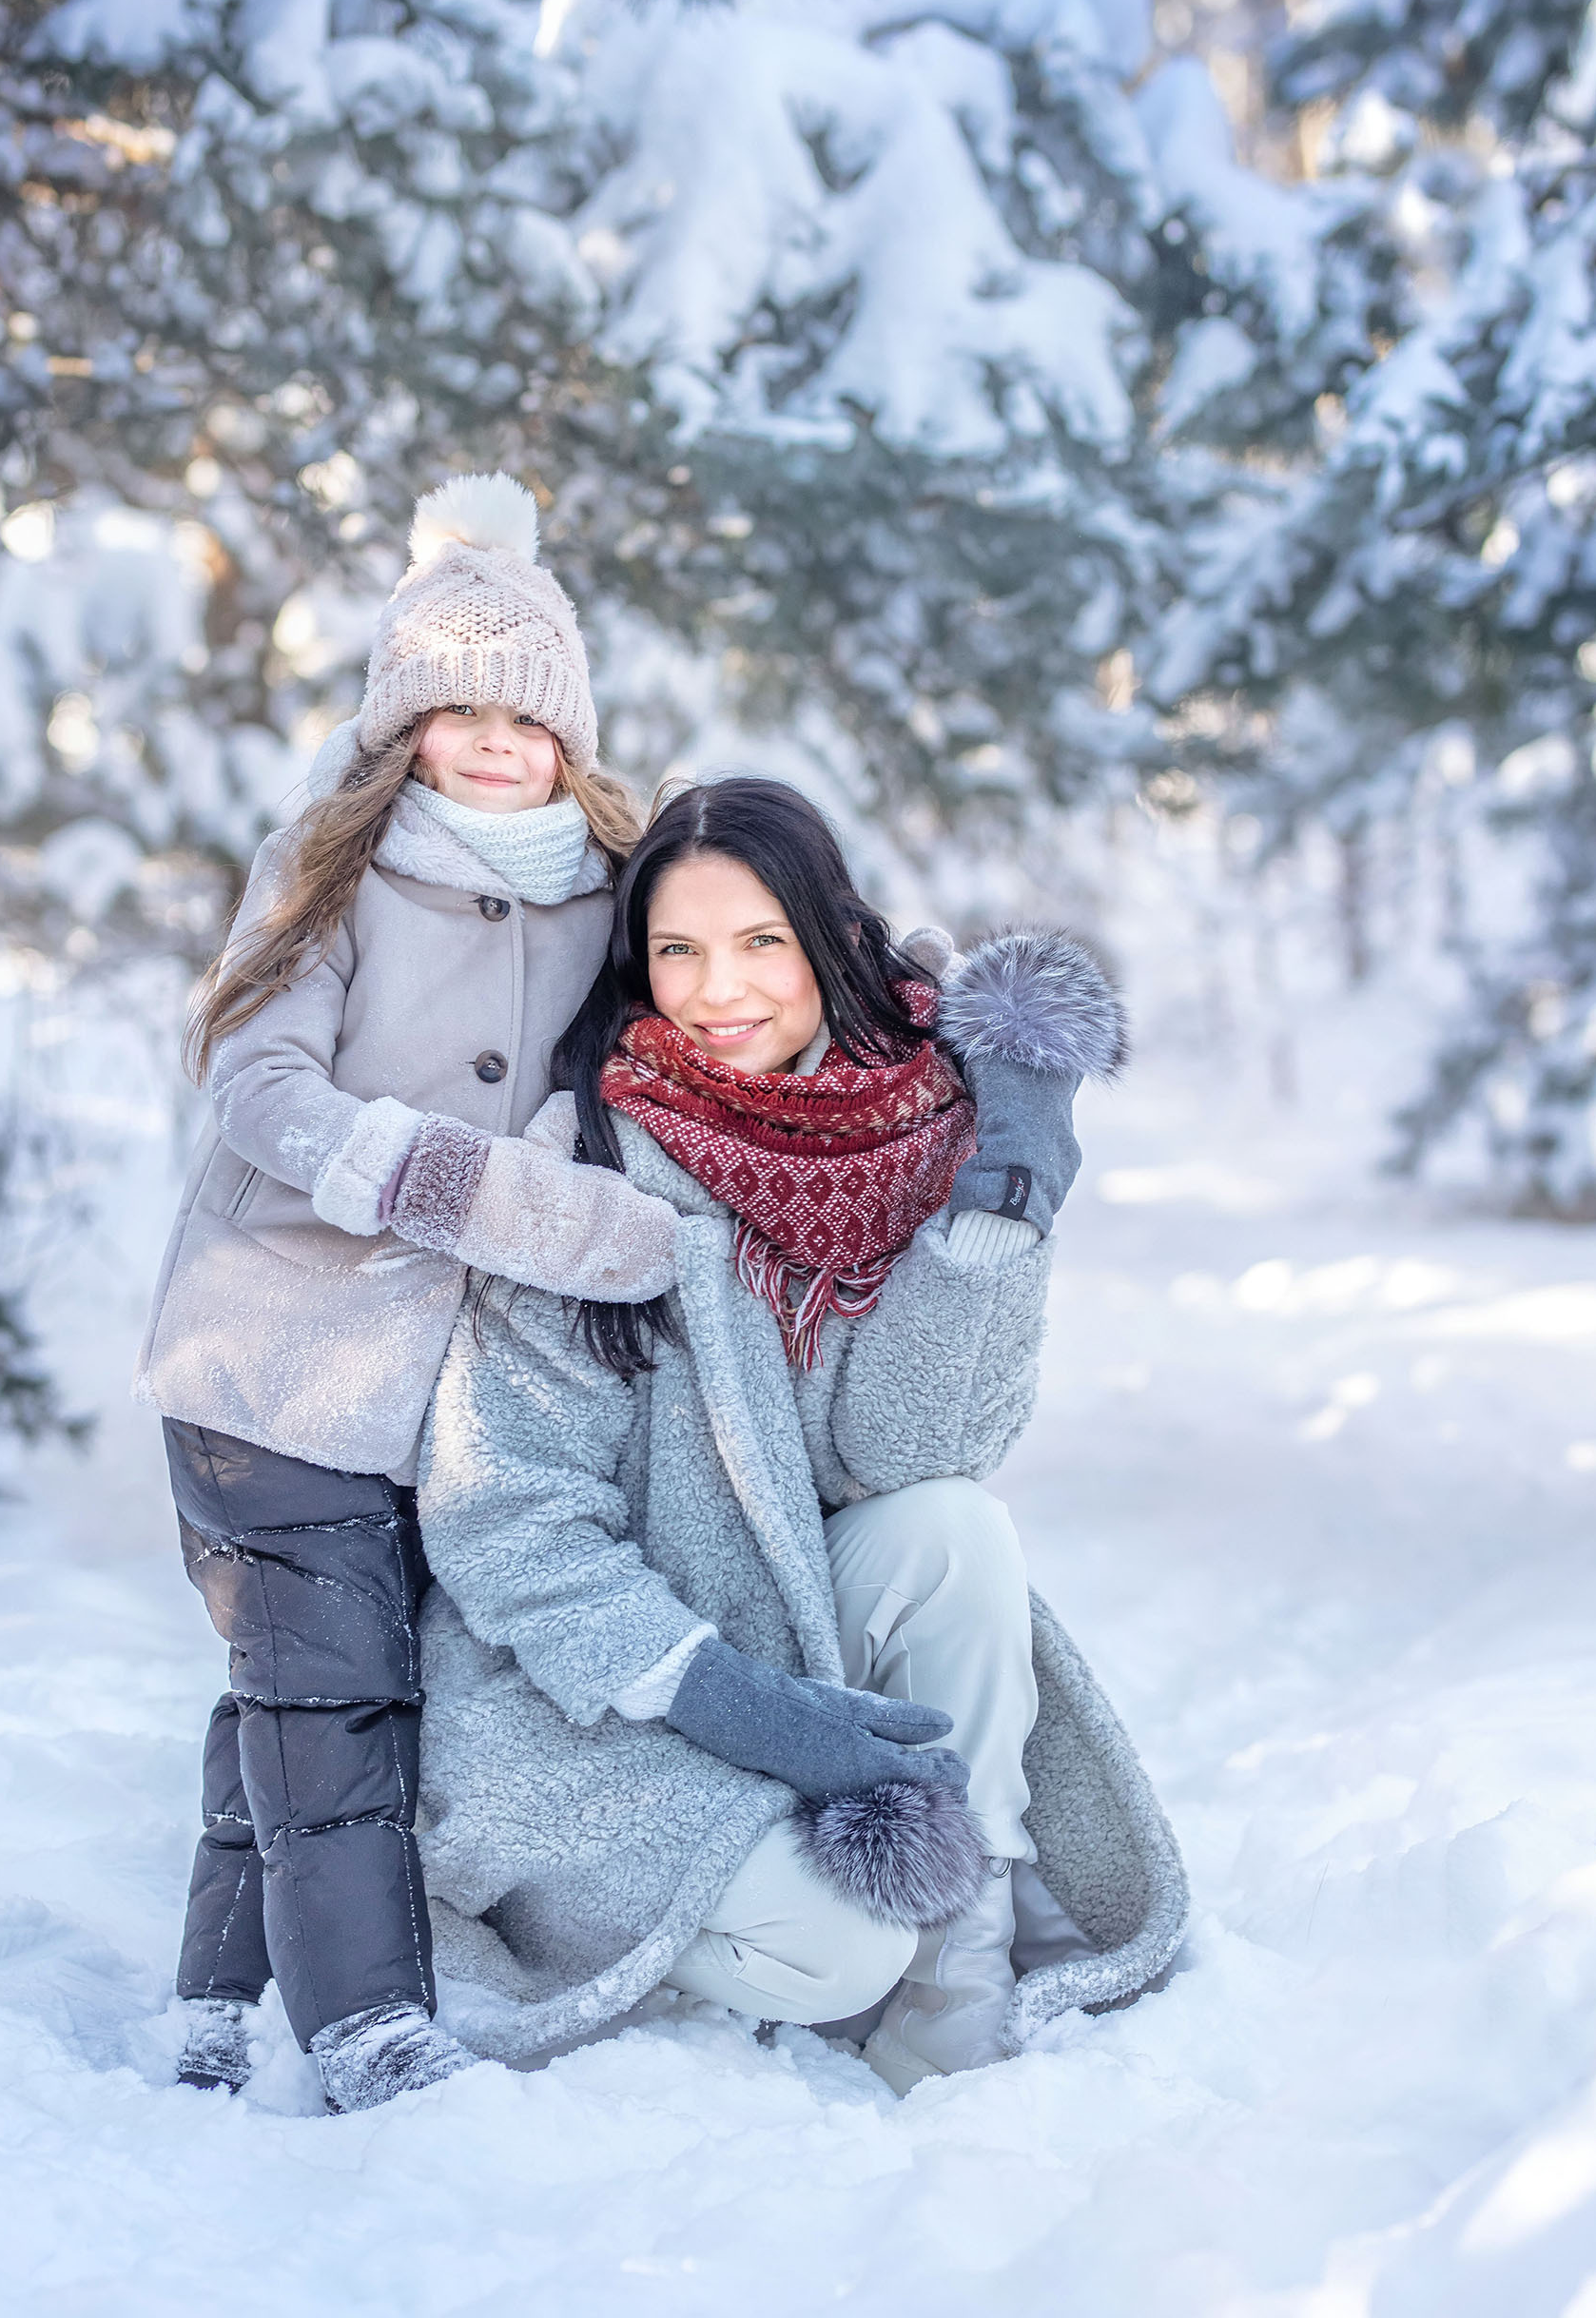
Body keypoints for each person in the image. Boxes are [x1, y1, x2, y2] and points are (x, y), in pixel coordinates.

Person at [413, 776, 1187, 2093]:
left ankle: (957, 1980)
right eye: (678, 950)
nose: (718, 991)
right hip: (595, 1687)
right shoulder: (586, 1165)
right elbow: (505, 1513)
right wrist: (728, 1701)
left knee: (954, 1529)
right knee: (835, 1949)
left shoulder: (927, 1129)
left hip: (789, 1620)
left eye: (760, 941)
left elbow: (903, 1456)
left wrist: (995, 1216)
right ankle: (737, 1941)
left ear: (828, 937)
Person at [136, 473, 678, 2113]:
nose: (496, 743)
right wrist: (475, 1189)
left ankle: (216, 1999)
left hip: (448, 1390)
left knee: (300, 1680)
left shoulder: (619, 889)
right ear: (404, 726)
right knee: (336, 1686)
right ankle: (369, 2026)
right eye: (459, 711)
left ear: (571, 734)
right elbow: (264, 1089)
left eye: (528, 717)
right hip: (271, 1360)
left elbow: (750, 966)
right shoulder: (334, 865)